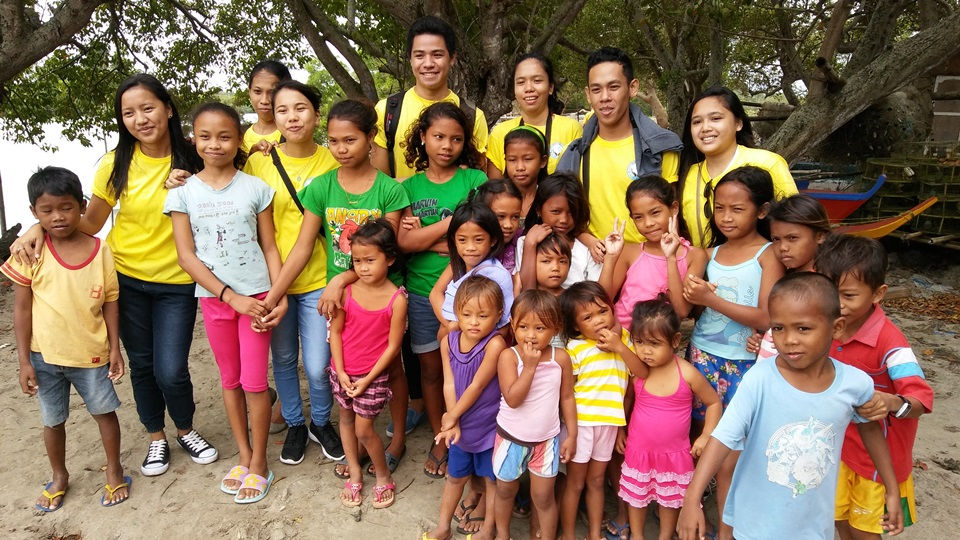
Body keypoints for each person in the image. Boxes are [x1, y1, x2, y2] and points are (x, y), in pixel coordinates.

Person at [10, 73, 218, 477]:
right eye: (129, 113)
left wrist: (195, 183)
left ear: (168, 109)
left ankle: (186, 428)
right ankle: (156, 437)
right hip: (128, 280)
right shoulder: (114, 163)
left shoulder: (196, 157)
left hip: (179, 280)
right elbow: (88, 224)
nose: (140, 118)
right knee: (141, 364)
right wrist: (37, 226)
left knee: (171, 368)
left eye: (148, 108)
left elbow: (230, 188)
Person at [677, 272, 905, 540]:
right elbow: (723, 438)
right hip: (754, 523)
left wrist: (891, 489)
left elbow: (871, 430)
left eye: (803, 328)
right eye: (778, 328)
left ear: (837, 328)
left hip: (813, 525)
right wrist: (691, 499)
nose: (789, 339)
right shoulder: (760, 379)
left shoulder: (854, 384)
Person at [261, 98, 410, 475]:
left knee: (391, 368)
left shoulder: (390, 189)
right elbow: (302, 246)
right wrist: (272, 297)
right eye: (334, 141)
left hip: (380, 296)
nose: (341, 150)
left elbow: (386, 247)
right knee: (345, 367)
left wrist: (341, 278)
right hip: (341, 303)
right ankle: (359, 441)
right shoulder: (322, 187)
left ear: (371, 138)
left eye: (350, 140)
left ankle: (395, 441)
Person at [165, 102, 283, 503]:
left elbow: (269, 246)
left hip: (257, 301)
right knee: (229, 381)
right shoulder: (183, 192)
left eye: (225, 136)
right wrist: (229, 296)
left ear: (239, 141)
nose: (214, 144)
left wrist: (274, 297)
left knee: (253, 382)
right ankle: (244, 455)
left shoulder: (256, 188)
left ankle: (261, 463)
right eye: (205, 136)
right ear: (193, 140)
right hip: (217, 301)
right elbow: (187, 256)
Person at [5, 167, 129, 510]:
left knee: (105, 413)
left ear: (82, 206)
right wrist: (23, 362)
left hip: (91, 354)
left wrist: (114, 348)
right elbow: (22, 310)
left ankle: (115, 470)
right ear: (33, 213)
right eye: (46, 211)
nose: (57, 217)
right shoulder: (29, 253)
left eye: (66, 207)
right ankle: (59, 475)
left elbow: (111, 301)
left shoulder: (100, 250)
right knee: (52, 419)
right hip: (44, 356)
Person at [242, 80, 345, 466]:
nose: (292, 116)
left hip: (320, 278)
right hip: (270, 281)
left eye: (300, 108)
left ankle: (320, 421)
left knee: (319, 364)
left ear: (317, 115)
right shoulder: (258, 162)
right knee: (283, 359)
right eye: (283, 109)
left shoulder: (333, 159)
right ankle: (295, 424)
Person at [682, 166, 784, 539]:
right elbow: (686, 309)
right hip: (702, 358)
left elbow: (767, 316)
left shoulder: (768, 254)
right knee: (700, 443)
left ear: (761, 210)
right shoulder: (711, 252)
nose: (725, 217)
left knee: (730, 458)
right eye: (719, 208)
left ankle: (727, 530)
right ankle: (695, 518)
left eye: (737, 209)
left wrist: (711, 299)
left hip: (745, 366)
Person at [814, 236, 933, 539]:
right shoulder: (827, 326)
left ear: (878, 293)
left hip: (878, 464)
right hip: (838, 450)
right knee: (839, 521)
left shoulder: (890, 342)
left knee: (864, 532)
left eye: (849, 295)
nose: (837, 303)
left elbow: (920, 397)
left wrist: (891, 402)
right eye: (829, 292)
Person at [398, 101, 488, 478]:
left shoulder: (475, 182)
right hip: (421, 290)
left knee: (472, 370)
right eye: (438, 136)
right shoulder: (407, 187)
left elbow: (483, 235)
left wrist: (425, 236)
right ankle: (440, 436)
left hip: (471, 292)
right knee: (431, 369)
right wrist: (450, 227)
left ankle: (472, 436)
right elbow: (403, 245)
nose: (447, 145)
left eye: (456, 138)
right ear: (423, 137)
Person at [556, 47, 683, 261]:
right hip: (596, 262)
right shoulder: (576, 154)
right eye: (596, 90)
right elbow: (566, 214)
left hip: (648, 262)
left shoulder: (659, 149)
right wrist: (587, 239)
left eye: (613, 87)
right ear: (588, 94)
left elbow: (672, 215)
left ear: (632, 87)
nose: (605, 97)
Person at [616, 296, 721, 540]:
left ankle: (665, 536)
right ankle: (638, 535)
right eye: (639, 342)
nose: (645, 350)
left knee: (670, 500)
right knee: (636, 497)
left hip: (675, 455)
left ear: (675, 341)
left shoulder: (686, 373)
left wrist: (706, 435)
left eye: (654, 343)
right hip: (639, 450)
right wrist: (621, 429)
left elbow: (714, 402)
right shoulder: (638, 371)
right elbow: (627, 401)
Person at [557, 281, 644, 540]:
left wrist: (619, 346)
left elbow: (639, 374)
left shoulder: (625, 339)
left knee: (596, 483)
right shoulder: (574, 349)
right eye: (587, 317)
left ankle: (594, 534)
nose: (598, 321)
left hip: (609, 425)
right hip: (582, 424)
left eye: (603, 311)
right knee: (575, 483)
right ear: (575, 326)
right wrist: (570, 433)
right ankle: (569, 534)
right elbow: (567, 395)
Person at [329, 220, 405, 510]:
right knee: (345, 420)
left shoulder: (397, 300)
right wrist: (341, 370)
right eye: (357, 261)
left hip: (372, 378)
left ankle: (383, 474)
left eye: (370, 260)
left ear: (390, 258)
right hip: (342, 372)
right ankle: (356, 473)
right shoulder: (346, 293)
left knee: (363, 429)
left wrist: (369, 378)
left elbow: (393, 347)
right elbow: (335, 332)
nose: (362, 267)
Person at [425, 276, 508, 540]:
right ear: (456, 312)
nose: (473, 321)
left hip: (488, 427)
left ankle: (487, 529)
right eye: (467, 314)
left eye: (482, 315)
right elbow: (448, 382)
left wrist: (452, 416)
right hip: (460, 425)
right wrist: (453, 421)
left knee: (490, 481)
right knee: (455, 477)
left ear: (498, 316)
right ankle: (443, 526)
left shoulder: (495, 344)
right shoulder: (448, 341)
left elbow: (477, 386)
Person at [493, 290, 577, 540]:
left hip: (546, 441)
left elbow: (567, 398)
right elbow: (513, 399)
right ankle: (502, 534)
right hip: (510, 439)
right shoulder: (509, 357)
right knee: (505, 491)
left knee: (543, 497)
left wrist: (571, 435)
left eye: (540, 327)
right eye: (523, 327)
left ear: (556, 328)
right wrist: (529, 368)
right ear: (512, 325)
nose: (530, 335)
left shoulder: (560, 358)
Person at [676, 86, 797, 248]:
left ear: (738, 123)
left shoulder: (767, 163)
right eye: (697, 122)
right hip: (699, 271)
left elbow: (796, 224)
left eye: (716, 118)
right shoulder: (688, 174)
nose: (705, 128)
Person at [372, 15, 488, 179]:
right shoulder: (386, 111)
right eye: (419, 55)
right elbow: (381, 183)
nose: (428, 63)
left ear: (452, 58)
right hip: (401, 205)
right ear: (410, 59)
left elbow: (478, 180)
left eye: (437, 55)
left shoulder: (472, 115)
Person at [599, 175, 707, 326]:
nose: (648, 223)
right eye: (638, 217)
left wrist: (671, 258)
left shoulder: (694, 256)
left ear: (674, 208)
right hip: (621, 336)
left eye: (655, 212)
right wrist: (610, 257)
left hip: (658, 344)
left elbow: (681, 311)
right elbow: (601, 302)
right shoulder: (629, 252)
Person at [748, 194, 832, 361]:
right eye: (776, 239)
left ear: (820, 236)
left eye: (792, 238)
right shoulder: (786, 276)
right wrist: (765, 341)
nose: (783, 247)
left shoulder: (827, 286)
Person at [486, 53, 582, 176]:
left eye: (537, 81)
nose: (529, 88)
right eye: (521, 82)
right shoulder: (500, 133)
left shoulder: (571, 129)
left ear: (551, 87)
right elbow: (495, 191)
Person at [430, 201, 514, 338]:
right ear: (454, 240)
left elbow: (504, 325)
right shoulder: (457, 264)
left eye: (478, 240)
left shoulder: (498, 275)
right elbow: (435, 293)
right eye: (462, 240)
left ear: (492, 240)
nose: (470, 248)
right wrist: (450, 325)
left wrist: (456, 328)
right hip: (453, 343)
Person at [517, 173, 600, 290]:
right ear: (539, 210)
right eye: (556, 211)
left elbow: (595, 293)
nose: (564, 220)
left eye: (571, 212)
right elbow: (527, 291)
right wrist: (530, 245)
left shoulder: (587, 249)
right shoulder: (527, 242)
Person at [471, 179, 524, 274]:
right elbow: (438, 289)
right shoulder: (472, 246)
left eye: (515, 217)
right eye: (500, 216)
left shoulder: (521, 242)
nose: (508, 225)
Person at [500, 126, 549, 229]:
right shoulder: (496, 198)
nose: (520, 167)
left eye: (528, 159)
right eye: (512, 160)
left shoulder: (549, 198)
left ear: (543, 161)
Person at [241, 60, 292, 155]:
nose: (264, 101)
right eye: (257, 91)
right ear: (249, 92)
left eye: (272, 92)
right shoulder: (240, 136)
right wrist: (252, 154)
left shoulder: (293, 133)